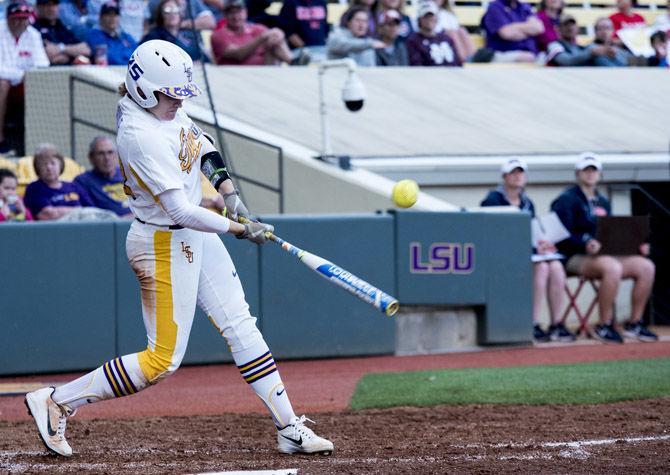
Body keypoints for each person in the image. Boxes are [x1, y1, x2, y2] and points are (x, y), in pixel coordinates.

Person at [24, 39, 333, 458]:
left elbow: (199, 142)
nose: (177, 102)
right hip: (162, 241)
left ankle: (288, 427)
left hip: (191, 235)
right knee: (162, 361)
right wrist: (239, 229)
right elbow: (182, 210)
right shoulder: (139, 134)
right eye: (172, 95)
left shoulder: (163, 107)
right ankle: (58, 399)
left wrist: (229, 192)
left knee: (241, 324)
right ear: (146, 90)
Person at [551, 153, 658, 344]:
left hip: (603, 255)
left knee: (646, 266)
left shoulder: (603, 201)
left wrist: (634, 245)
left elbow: (612, 233)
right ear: (578, 173)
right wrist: (584, 243)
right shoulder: (566, 199)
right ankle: (604, 324)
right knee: (612, 267)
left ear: (600, 174)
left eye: (594, 170)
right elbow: (560, 235)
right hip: (574, 257)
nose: (590, 174)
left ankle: (635, 323)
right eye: (586, 170)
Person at [481, 158, 573, 343]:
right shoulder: (492, 200)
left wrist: (543, 244)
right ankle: (532, 322)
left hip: (527, 254)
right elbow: (494, 234)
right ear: (504, 176)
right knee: (542, 267)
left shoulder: (527, 203)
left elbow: (531, 232)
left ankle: (556, 324)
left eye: (520, 172)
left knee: (555, 265)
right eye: (513, 172)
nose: (517, 176)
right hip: (502, 257)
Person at [0, 2, 49, 155]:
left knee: (41, 83)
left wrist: (22, 76)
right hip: (5, 83)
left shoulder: (33, 34)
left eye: (24, 18)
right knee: (2, 84)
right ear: (8, 18)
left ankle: (37, 138)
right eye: (17, 18)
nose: (21, 22)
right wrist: (22, 75)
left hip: (23, 82)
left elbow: (42, 65)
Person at [23, 143, 93, 220]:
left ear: (61, 165)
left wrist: (60, 210)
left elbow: (91, 211)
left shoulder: (74, 187)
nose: (49, 168)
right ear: (37, 168)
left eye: (53, 163)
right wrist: (79, 210)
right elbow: (48, 215)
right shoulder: (34, 189)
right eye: (44, 164)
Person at [211, 0, 293, 65]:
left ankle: (293, 62)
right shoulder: (218, 35)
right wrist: (261, 38)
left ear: (246, 13)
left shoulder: (257, 29)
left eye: (239, 12)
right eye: (231, 13)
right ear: (224, 15)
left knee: (274, 40)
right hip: (233, 77)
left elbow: (275, 35)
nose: (235, 17)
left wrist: (279, 33)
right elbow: (238, 55)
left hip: (264, 73)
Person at [73, 136, 132, 218]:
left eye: (110, 152)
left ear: (116, 155)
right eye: (101, 153)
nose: (107, 158)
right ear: (91, 158)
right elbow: (92, 216)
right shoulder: (82, 182)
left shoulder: (129, 174)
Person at [141, 0, 207, 62]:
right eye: (167, 11)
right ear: (161, 15)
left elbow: (202, 57)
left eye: (175, 10)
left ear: (180, 14)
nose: (172, 14)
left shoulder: (185, 36)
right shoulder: (153, 37)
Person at [547, 14, 618, 66]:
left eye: (572, 25)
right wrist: (592, 53)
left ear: (577, 28)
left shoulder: (581, 48)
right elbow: (566, 61)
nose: (570, 28)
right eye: (566, 25)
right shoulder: (554, 45)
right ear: (558, 29)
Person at [34, 0, 91, 65]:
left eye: (54, 5)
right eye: (47, 5)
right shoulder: (34, 29)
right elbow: (48, 54)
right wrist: (72, 54)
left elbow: (86, 49)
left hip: (69, 70)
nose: (51, 9)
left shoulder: (62, 27)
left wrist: (61, 48)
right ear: (38, 8)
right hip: (47, 71)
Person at [407, 1, 462, 67]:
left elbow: (458, 62)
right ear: (419, 19)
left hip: (454, 74)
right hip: (430, 76)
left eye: (432, 16)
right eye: (426, 16)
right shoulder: (414, 41)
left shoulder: (447, 39)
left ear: (436, 18)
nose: (429, 19)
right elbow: (417, 66)